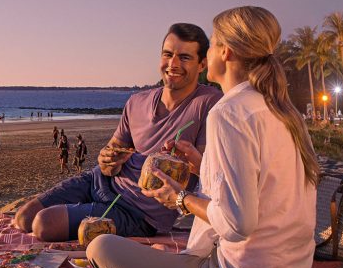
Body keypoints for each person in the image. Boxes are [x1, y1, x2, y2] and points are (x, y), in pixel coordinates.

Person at [88, 6, 320, 268]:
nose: (207, 52)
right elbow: (259, 185)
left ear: (226, 52)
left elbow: (238, 224)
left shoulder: (228, 113)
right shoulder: (279, 108)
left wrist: (180, 199)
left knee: (100, 248)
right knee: (158, 254)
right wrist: (202, 165)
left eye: (211, 44)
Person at [12, 22, 222, 242]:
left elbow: (207, 171)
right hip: (99, 181)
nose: (173, 63)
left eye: (185, 57)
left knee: (44, 224)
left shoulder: (208, 103)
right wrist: (108, 159)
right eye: (167, 54)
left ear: (202, 65)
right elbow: (112, 151)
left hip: (137, 212)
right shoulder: (136, 101)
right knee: (24, 217)